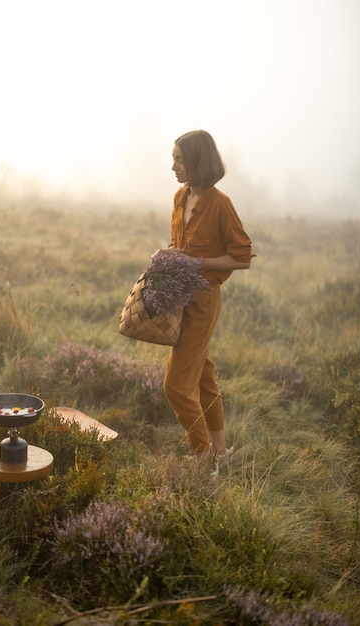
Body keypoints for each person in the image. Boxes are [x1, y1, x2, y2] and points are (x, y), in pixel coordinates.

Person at [153, 130, 255, 463]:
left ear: (197, 160)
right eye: (173, 159)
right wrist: (167, 255)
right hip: (180, 299)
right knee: (204, 375)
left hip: (203, 300)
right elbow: (180, 246)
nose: (173, 167)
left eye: (179, 159)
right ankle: (220, 452)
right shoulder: (180, 198)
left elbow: (241, 257)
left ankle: (203, 458)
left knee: (176, 385)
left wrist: (198, 263)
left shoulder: (220, 204)